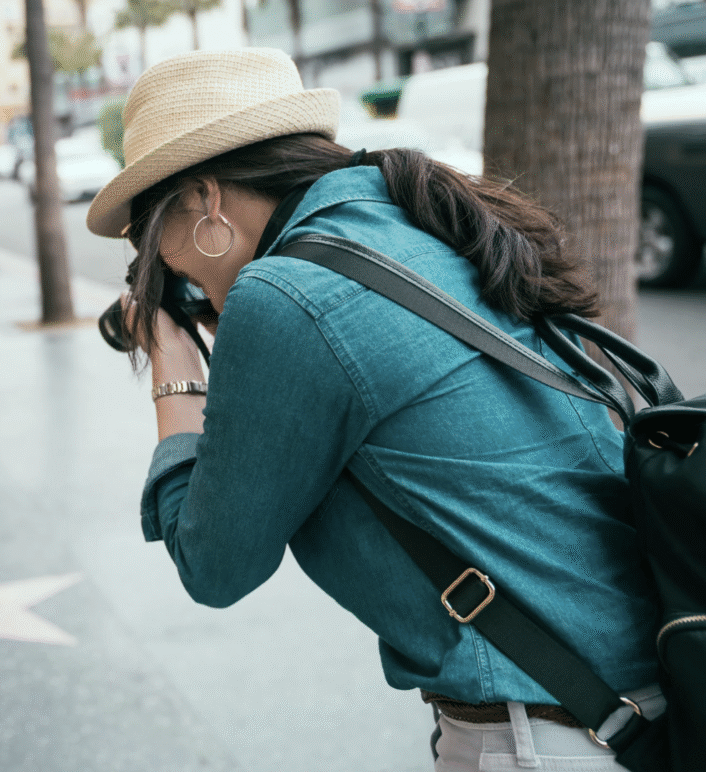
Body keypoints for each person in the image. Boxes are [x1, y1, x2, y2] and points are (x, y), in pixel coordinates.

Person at [86, 48, 664, 770]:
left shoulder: (286, 293)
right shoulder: (409, 216)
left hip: (544, 737)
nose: (164, 266)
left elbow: (213, 567)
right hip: (630, 701)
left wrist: (176, 374)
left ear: (204, 201)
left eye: (150, 237)